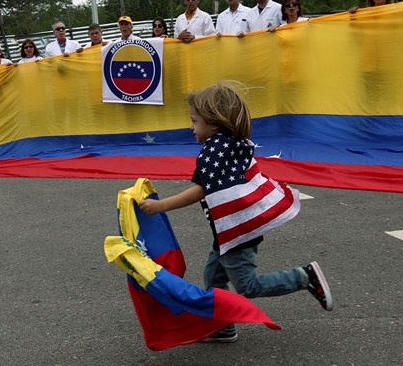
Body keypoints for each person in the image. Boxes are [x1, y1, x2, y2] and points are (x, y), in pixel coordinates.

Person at [138, 81, 333, 343]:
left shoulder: (215, 151)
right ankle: (222, 325)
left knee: (247, 286)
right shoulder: (228, 144)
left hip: (237, 231)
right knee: (213, 275)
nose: (191, 126)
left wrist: (161, 206)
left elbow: (201, 190)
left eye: (195, 121)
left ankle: (303, 277)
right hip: (232, 229)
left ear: (214, 124)